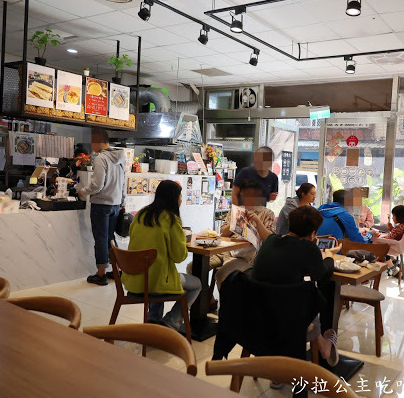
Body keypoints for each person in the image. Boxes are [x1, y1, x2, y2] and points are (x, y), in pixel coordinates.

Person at [253, 205, 338, 369]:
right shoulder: (309, 248)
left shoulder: (270, 240)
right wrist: (329, 256)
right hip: (289, 319)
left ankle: (284, 358)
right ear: (313, 233)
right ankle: (323, 347)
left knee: (297, 295)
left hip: (256, 314)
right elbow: (322, 275)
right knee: (309, 297)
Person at [122, 180, 202, 330]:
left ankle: (153, 319)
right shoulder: (171, 220)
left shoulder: (141, 215)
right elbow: (179, 257)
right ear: (174, 198)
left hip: (134, 281)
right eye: (180, 196)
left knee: (157, 270)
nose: (181, 199)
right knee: (196, 284)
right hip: (156, 283)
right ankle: (171, 321)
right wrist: (183, 242)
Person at [189, 179, 275, 293]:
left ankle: (227, 303)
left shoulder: (267, 213)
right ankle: (207, 299)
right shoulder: (236, 210)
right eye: (245, 195)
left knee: (222, 275)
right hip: (225, 250)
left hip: (247, 255)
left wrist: (257, 221)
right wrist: (235, 221)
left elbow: (270, 239)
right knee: (194, 267)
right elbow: (223, 233)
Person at [76, 128, 126, 286]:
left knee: (101, 239)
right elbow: (123, 183)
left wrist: (83, 192)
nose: (91, 146)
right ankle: (117, 271)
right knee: (110, 238)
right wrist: (122, 201)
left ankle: (101, 274)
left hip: (101, 205)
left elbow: (97, 185)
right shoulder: (120, 158)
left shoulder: (101, 159)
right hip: (115, 204)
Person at [373, 205, 404, 278]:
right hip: (397, 246)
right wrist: (391, 228)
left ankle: (391, 267)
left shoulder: (399, 227)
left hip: (393, 246)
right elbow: (396, 234)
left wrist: (378, 236)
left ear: (399, 217)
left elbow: (390, 237)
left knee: (376, 248)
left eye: (393, 216)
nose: (393, 218)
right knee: (382, 251)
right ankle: (392, 262)